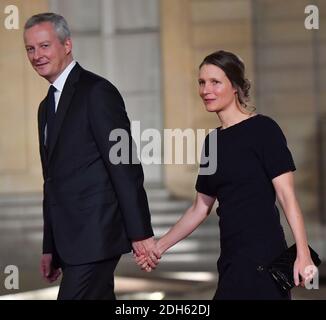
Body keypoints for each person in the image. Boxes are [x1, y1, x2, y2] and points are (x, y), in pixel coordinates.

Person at [135, 50, 316, 300]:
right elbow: (200, 207)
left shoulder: (264, 129)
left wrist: (303, 254)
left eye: (215, 82)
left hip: (264, 255)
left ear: (235, 86)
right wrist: (159, 247)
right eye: (201, 82)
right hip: (231, 257)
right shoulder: (212, 142)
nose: (205, 89)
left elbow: (287, 197)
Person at [23, 12, 159, 300]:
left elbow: (124, 165)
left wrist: (140, 233)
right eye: (30, 49)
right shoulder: (44, 108)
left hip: (97, 237)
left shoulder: (97, 92)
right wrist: (50, 247)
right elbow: (52, 182)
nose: (37, 55)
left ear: (67, 44)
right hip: (70, 241)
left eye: (45, 46)